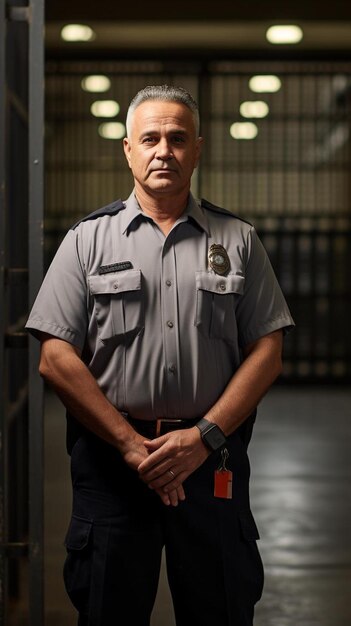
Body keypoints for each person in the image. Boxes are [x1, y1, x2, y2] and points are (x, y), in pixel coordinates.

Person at [26, 85, 294, 626]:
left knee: (219, 607)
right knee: (109, 610)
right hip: (112, 465)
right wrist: (130, 445)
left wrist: (202, 439)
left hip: (209, 461)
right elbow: (55, 357)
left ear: (197, 148)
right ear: (128, 149)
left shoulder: (238, 240)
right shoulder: (85, 241)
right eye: (149, 138)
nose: (162, 150)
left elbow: (267, 351)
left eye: (176, 138)